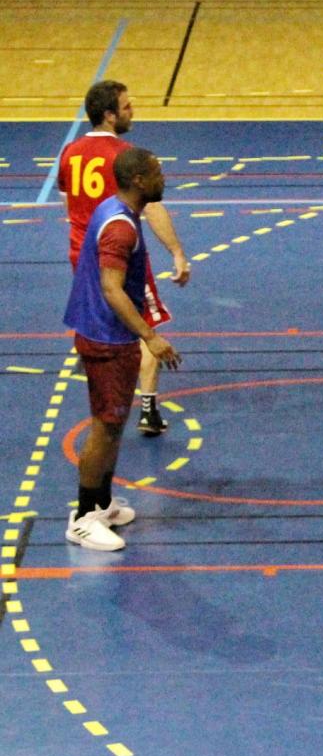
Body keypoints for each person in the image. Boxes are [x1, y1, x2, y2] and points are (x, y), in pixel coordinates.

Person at [63, 147, 182, 552]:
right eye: (158, 172)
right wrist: (151, 336)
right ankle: (83, 519)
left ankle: (101, 504)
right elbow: (112, 289)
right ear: (139, 181)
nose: (164, 178)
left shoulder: (116, 209)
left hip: (108, 334)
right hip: (106, 338)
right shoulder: (121, 228)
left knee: (113, 424)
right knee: (105, 426)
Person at [58, 80, 190, 436]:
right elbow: (152, 208)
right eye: (127, 106)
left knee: (101, 318)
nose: (133, 111)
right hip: (118, 254)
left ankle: (98, 370)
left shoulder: (70, 152)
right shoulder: (125, 157)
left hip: (82, 255)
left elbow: (67, 201)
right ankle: (148, 409)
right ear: (109, 115)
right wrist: (177, 252)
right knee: (144, 325)